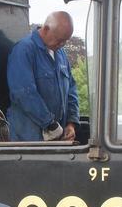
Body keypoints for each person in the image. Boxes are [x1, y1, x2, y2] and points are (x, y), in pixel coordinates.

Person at [6, 11, 79, 142]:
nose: (62, 45)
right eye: (59, 40)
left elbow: (71, 89)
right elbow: (24, 93)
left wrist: (71, 123)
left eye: (65, 41)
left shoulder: (61, 54)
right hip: (29, 139)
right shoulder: (24, 50)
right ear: (46, 29)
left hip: (56, 136)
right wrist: (50, 124)